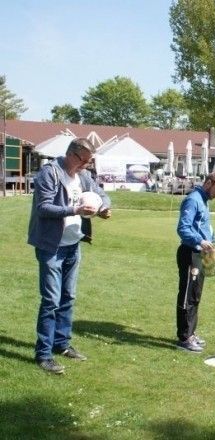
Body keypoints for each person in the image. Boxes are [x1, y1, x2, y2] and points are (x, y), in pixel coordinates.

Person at [28, 138, 112, 374]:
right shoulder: (50, 173)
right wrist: (75, 209)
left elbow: (100, 193)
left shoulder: (83, 176)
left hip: (73, 244)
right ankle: (43, 354)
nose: (87, 165)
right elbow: (43, 208)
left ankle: (61, 344)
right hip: (51, 246)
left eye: (89, 161)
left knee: (68, 297)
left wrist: (103, 207)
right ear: (72, 154)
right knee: (51, 301)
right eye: (84, 160)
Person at [176, 172, 215, 352]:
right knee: (187, 295)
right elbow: (183, 228)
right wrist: (200, 241)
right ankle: (184, 337)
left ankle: (191, 332)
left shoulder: (203, 201)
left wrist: (212, 241)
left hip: (201, 254)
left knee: (195, 295)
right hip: (190, 253)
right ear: (208, 183)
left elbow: (205, 227)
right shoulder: (193, 200)